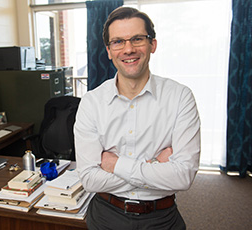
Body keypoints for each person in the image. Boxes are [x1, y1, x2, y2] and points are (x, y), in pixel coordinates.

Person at [74, 6, 200, 230]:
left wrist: (115, 164)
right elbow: (90, 180)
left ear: (153, 44)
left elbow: (183, 176)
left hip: (161, 218)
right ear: (109, 50)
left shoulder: (180, 97)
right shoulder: (91, 102)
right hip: (105, 215)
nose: (128, 49)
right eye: (118, 42)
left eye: (137, 39)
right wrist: (153, 165)